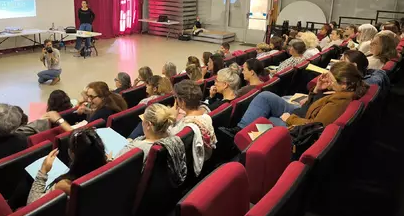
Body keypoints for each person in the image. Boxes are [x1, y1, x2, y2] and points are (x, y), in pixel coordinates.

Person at [222, 61, 368, 134]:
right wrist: (317, 89)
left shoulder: (340, 102)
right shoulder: (339, 91)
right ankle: (239, 130)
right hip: (303, 110)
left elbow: (316, 126)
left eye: (331, 79)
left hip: (299, 123)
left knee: (264, 121)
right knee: (265, 96)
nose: (328, 82)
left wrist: (289, 119)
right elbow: (314, 105)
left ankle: (240, 137)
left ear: (344, 84)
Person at [27, 128, 107, 204]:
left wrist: (43, 171)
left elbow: (32, 206)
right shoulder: (107, 170)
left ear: (71, 154)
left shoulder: (65, 186)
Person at [168, 80, 216, 176]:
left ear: (182, 102)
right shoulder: (207, 113)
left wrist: (171, 119)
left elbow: (167, 138)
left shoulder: (182, 126)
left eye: (176, 98)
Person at [117, 104, 186, 164]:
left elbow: (114, 165)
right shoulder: (172, 133)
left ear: (148, 125)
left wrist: (109, 159)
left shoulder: (135, 149)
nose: (142, 122)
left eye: (143, 119)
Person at [44, 81, 128, 131]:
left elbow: (76, 134)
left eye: (92, 97)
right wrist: (90, 111)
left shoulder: (102, 113)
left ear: (102, 97)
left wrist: (59, 120)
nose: (88, 100)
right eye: (88, 96)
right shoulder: (113, 102)